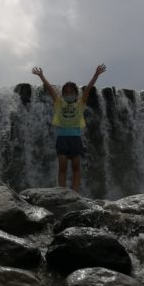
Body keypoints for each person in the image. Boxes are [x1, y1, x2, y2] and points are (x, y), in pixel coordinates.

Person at [31, 63, 107, 191]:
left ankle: (75, 194)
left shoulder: (80, 104)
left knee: (76, 169)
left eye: (71, 92)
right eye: (66, 93)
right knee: (62, 169)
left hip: (76, 140)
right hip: (62, 140)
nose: (68, 94)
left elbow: (88, 88)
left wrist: (96, 74)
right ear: (62, 95)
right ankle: (62, 193)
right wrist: (41, 76)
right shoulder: (59, 103)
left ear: (76, 94)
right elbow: (50, 89)